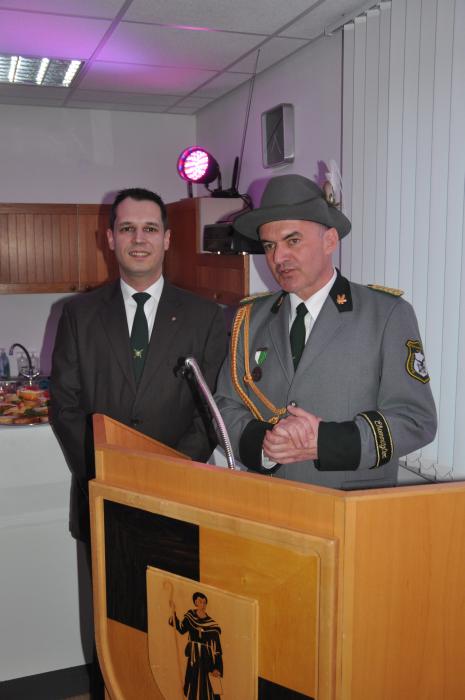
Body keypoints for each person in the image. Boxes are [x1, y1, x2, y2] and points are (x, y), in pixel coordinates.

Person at [214, 174, 437, 489]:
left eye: (293, 241)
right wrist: (264, 444)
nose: (278, 258)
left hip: (351, 503)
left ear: (330, 241)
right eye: (269, 246)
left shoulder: (386, 314)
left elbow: (416, 420)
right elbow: (224, 405)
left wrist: (326, 442)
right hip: (269, 499)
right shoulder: (251, 318)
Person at [51, 187, 227, 542]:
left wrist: (170, 475)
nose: (139, 239)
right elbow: (65, 407)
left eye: (150, 228)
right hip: (102, 495)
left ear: (166, 239)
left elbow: (211, 412)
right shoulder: (77, 315)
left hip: (179, 496)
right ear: (110, 239)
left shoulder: (206, 316)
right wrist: (105, 475)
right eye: (127, 228)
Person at [169, 592, 223, 700]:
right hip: (194, 658)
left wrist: (217, 667)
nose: (202, 604)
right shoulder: (190, 617)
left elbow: (217, 649)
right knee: (193, 683)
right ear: (195, 602)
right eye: (200, 602)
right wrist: (173, 612)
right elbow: (181, 628)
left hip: (207, 659)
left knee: (208, 687)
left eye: (204, 602)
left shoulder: (212, 624)